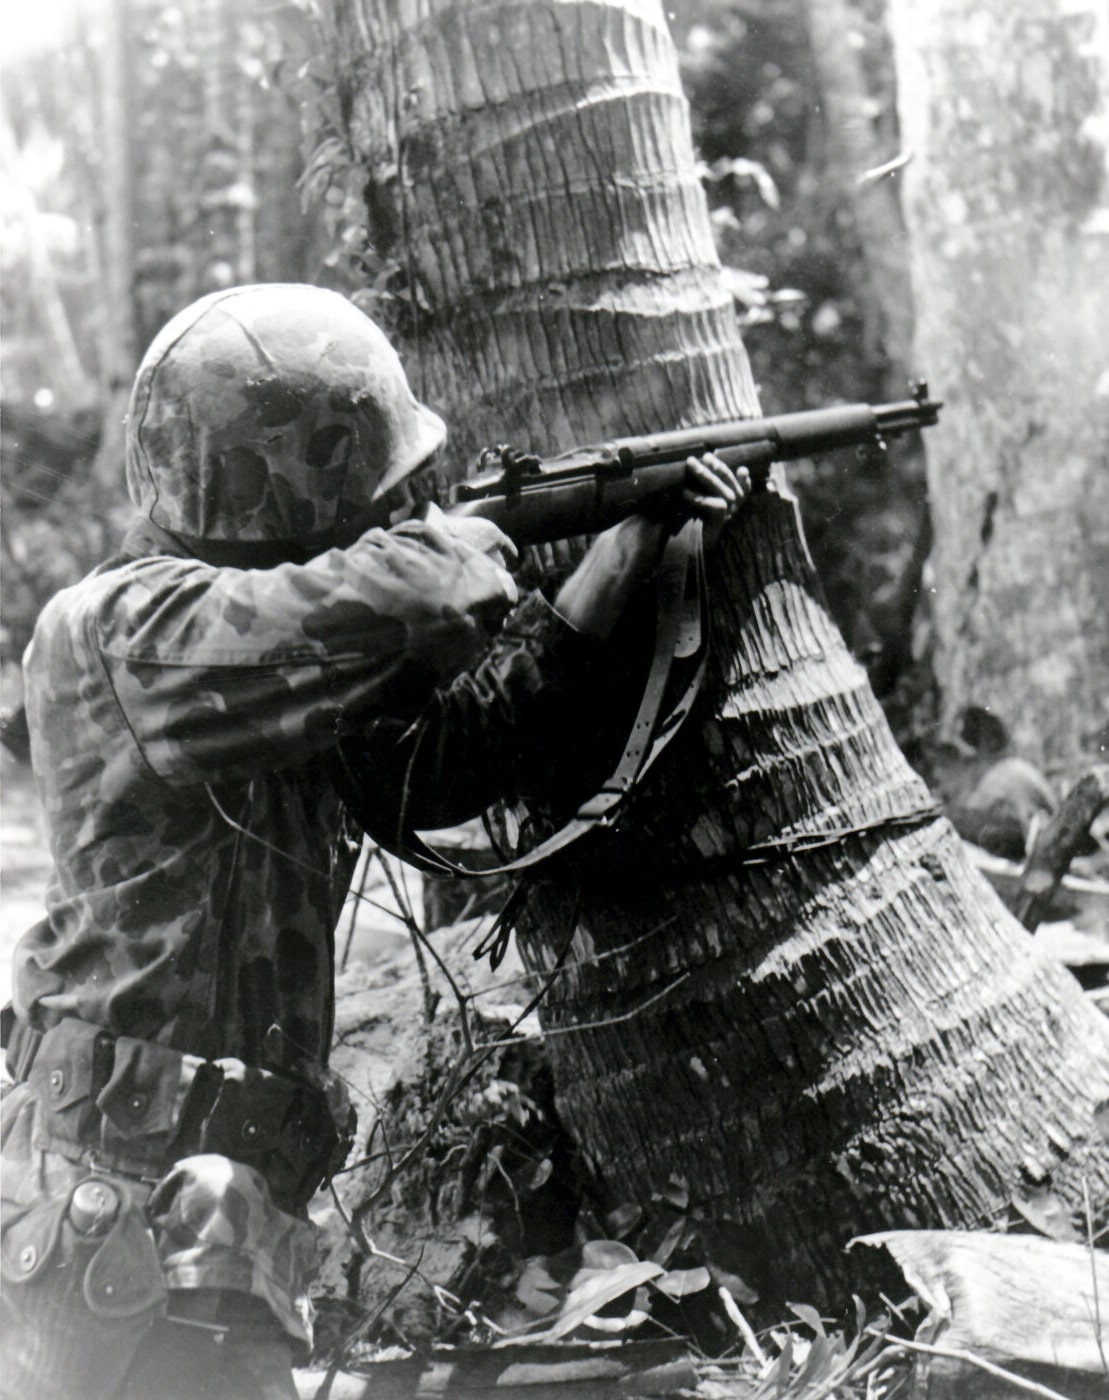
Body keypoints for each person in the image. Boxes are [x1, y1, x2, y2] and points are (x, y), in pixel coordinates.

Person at [0, 283, 748, 1400]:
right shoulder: (120, 631)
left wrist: (622, 540)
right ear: (291, 478)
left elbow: (439, 764)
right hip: (101, 1184)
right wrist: (487, 532)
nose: (392, 512)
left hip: (231, 1198)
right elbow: (392, 598)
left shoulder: (276, 670)